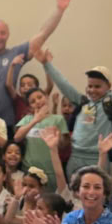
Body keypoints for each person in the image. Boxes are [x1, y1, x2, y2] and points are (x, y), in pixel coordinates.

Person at [41, 43, 112, 175]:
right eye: (90, 86)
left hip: (98, 158)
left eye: (97, 86)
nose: (92, 90)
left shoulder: (111, 103)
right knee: (73, 188)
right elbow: (64, 84)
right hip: (75, 157)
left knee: (97, 187)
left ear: (109, 86)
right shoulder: (82, 102)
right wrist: (47, 64)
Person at [14, 58, 71, 192]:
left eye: (40, 97)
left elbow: (64, 145)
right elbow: (17, 138)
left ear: (46, 97)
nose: (38, 102)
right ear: (30, 106)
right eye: (33, 101)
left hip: (51, 170)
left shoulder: (58, 119)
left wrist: (58, 137)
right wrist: (35, 120)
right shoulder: (27, 119)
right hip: (29, 170)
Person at [6, 53, 54, 123]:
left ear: (36, 88)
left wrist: (46, 65)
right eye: (22, 85)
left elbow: (50, 85)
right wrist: (12, 65)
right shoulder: (18, 100)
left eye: (30, 85)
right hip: (21, 128)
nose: (26, 87)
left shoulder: (40, 98)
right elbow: (9, 85)